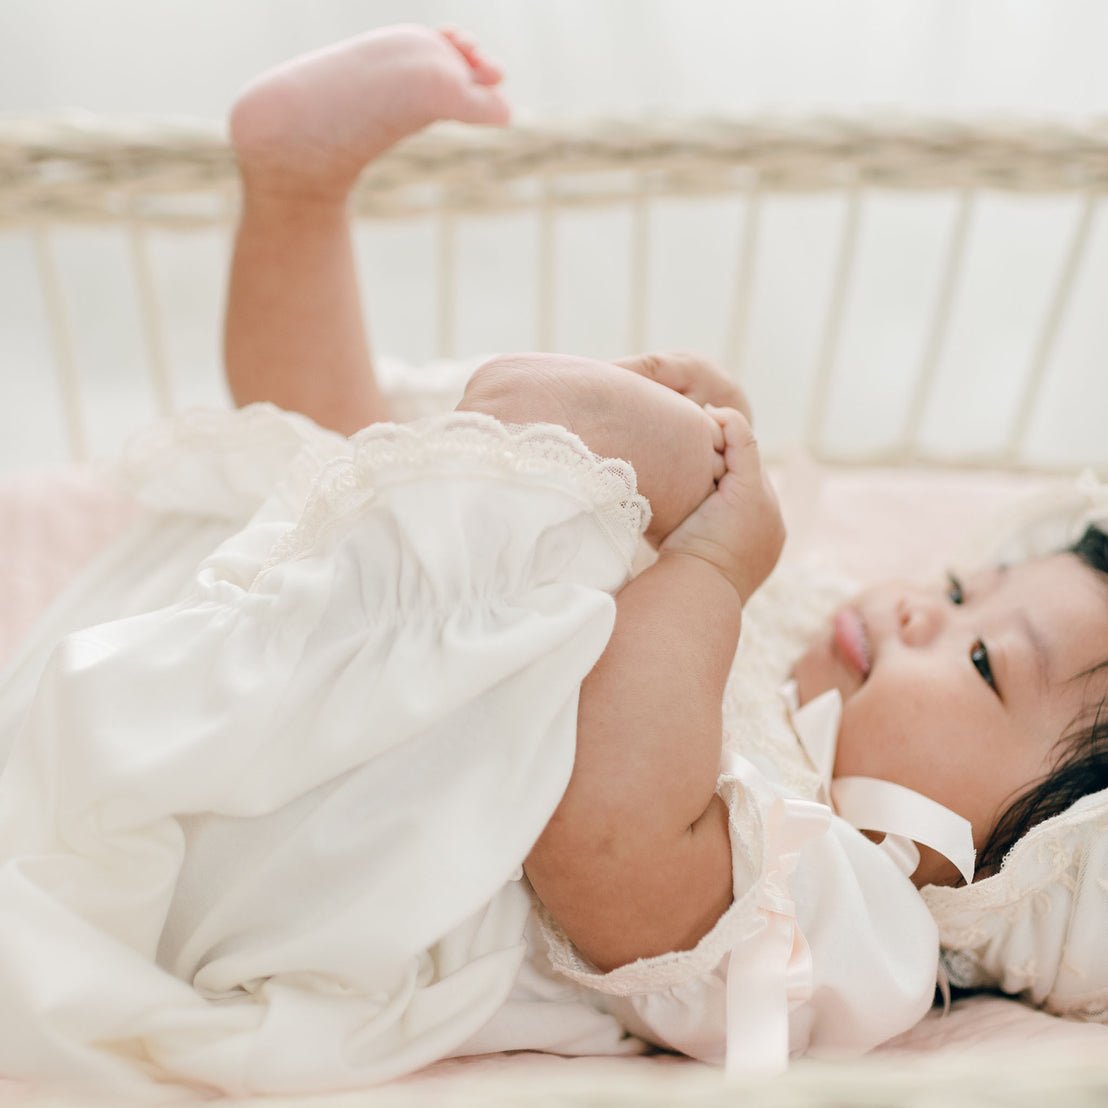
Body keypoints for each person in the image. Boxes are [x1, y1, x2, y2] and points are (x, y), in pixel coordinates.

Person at [0, 24, 1106, 1096]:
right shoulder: (783, 649)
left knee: (472, 513)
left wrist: (703, 563)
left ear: (1016, 879)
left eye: (980, 661)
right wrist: (691, 508)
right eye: (962, 588)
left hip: (298, 860)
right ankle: (298, 193)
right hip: (234, 674)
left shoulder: (855, 926)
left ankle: (322, 243)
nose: (921, 609)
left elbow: (610, 858)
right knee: (344, 464)